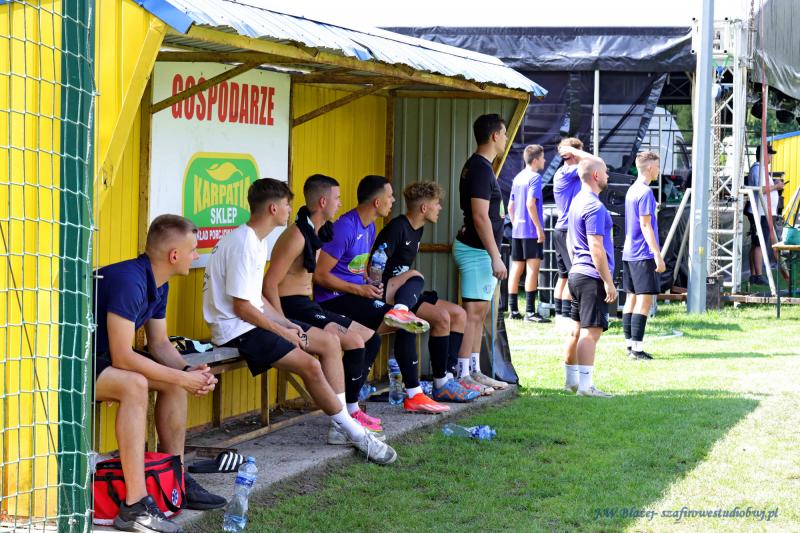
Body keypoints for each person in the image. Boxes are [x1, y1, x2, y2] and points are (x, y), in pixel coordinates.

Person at [203, 178, 397, 463]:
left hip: (250, 322)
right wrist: (282, 331)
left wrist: (284, 323)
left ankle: (342, 426)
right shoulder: (244, 243)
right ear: (273, 208)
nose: (290, 209)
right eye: (286, 204)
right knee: (311, 365)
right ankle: (354, 432)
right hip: (236, 330)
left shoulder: (254, 241)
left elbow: (256, 300)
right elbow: (242, 308)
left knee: (329, 343)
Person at [94, 215, 225, 533]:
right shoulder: (130, 280)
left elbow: (160, 343)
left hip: (101, 361)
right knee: (135, 384)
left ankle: (175, 479)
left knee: (172, 383)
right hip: (68, 366)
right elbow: (123, 355)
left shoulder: (159, 282)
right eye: (193, 250)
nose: (196, 255)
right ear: (174, 255)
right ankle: (135, 506)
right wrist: (181, 378)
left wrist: (187, 371)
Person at [314, 175, 449, 413]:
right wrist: (360, 289)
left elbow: (356, 268)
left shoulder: (370, 227)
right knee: (396, 327)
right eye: (390, 196)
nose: (393, 201)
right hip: (333, 300)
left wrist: (367, 281)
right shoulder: (345, 227)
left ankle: (413, 396)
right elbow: (320, 275)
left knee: (406, 320)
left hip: (357, 295)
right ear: (377, 202)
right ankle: (350, 408)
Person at [262, 174, 385, 434]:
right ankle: (343, 419)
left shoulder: (319, 231)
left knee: (371, 338)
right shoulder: (296, 235)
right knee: (354, 341)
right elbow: (270, 283)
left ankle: (351, 408)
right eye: (337, 198)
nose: (340, 203)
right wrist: (281, 322)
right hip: (292, 306)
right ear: (322, 201)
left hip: (308, 304)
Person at [371, 181, 491, 404]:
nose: (440, 208)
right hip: (387, 293)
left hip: (406, 292)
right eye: (437, 204)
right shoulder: (398, 227)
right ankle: (440, 384)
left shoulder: (419, 228)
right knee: (438, 311)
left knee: (459, 314)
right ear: (424, 208)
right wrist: (376, 290)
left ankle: (449, 377)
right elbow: (376, 262)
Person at [452, 113, 509, 396]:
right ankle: (462, 374)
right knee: (472, 314)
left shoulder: (483, 167)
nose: (506, 138)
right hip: (476, 252)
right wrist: (495, 256)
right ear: (495, 136)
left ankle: (474, 370)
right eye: (505, 133)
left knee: (480, 313)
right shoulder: (479, 168)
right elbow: (479, 216)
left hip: (481, 252)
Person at [565, 155, 616, 398]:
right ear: (596, 175)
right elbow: (596, 247)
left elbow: (568, 239)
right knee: (591, 332)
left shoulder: (576, 202)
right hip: (591, 276)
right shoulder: (595, 207)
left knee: (576, 330)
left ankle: (571, 382)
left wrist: (575, 264)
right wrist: (608, 281)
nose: (607, 175)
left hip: (577, 272)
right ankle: (585, 387)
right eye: (605, 171)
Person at [622, 151, 666, 360]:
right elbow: (645, 224)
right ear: (649, 168)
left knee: (631, 298)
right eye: (657, 166)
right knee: (644, 300)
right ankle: (637, 350)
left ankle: (630, 345)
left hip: (629, 252)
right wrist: (657, 254)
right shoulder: (646, 192)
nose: (659, 170)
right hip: (642, 253)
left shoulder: (632, 189)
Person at [507, 144, 549, 323]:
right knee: (532, 270)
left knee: (516, 269)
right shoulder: (535, 178)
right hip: (531, 232)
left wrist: (516, 224)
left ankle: (513, 311)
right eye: (543, 157)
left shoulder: (518, 177)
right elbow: (530, 204)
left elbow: (510, 206)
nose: (545, 160)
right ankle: (530, 313)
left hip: (517, 231)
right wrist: (539, 229)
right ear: (536, 160)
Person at [552, 138, 586, 330]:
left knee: (563, 276)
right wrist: (576, 153)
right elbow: (593, 162)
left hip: (562, 228)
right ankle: (566, 316)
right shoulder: (568, 171)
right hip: (567, 230)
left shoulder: (562, 171)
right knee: (573, 275)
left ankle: (560, 316)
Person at [745, 143, 783, 285]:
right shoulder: (757, 169)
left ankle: (755, 274)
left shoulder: (761, 169)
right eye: (770, 154)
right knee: (759, 243)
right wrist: (776, 186)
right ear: (764, 155)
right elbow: (760, 189)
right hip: (760, 212)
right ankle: (758, 275)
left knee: (757, 243)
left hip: (763, 212)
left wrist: (774, 185)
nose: (771, 157)